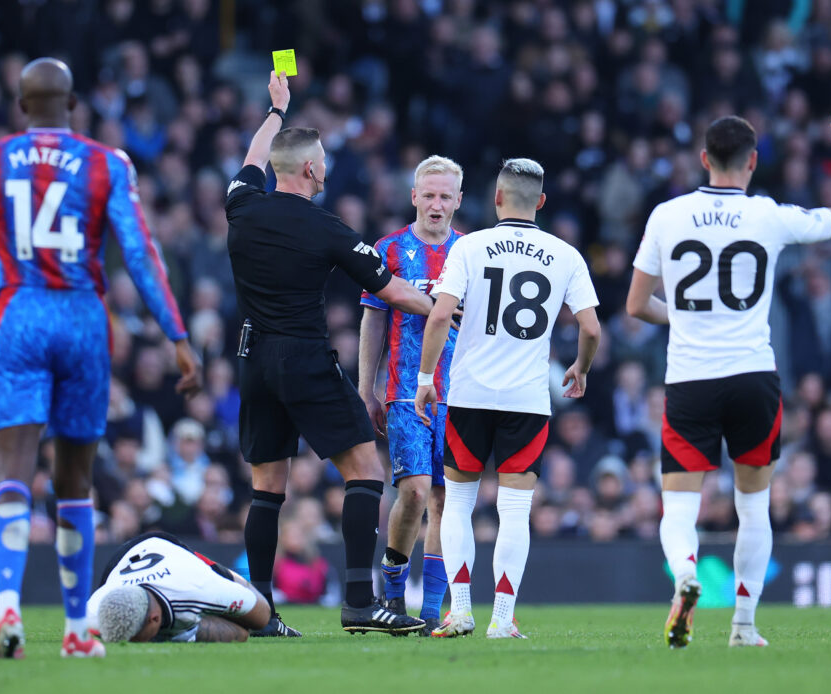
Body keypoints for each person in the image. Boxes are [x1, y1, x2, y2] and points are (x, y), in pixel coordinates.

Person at [0, 58, 201, 659]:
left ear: (20, 104)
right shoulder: (105, 162)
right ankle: (73, 630)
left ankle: (7, 606)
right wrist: (176, 334)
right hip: (84, 320)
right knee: (74, 480)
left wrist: (6, 291)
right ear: (72, 105)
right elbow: (140, 255)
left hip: (18, 313)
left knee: (12, 469)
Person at [625, 113, 831, 649]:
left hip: (690, 379)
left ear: (704, 159)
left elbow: (637, 304)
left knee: (680, 506)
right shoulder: (769, 216)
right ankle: (743, 625)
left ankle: (686, 574)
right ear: (753, 161)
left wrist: (686, 318)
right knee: (753, 506)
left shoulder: (668, 216)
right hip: (753, 376)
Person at [225, 71, 434, 636]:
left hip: (252, 359)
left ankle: (259, 612)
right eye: (321, 162)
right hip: (303, 356)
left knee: (267, 487)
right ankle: (361, 603)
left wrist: (275, 110)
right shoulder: (326, 228)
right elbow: (391, 289)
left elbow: (251, 157)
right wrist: (444, 306)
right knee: (366, 469)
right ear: (313, 169)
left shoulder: (241, 203)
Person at [415, 158, 602, 638]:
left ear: (496, 198)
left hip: (470, 394)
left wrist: (425, 378)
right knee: (514, 512)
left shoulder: (470, 247)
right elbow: (591, 327)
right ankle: (502, 618)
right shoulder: (566, 255)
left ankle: (459, 611)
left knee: (457, 503)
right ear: (540, 202)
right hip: (527, 399)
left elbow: (439, 318)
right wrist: (581, 366)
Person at [357, 155, 464, 635]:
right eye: (429, 194)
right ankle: (394, 591)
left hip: (461, 395)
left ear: (459, 200)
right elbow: (374, 318)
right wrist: (366, 387)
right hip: (404, 394)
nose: (436, 204)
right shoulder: (390, 249)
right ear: (414, 196)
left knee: (445, 500)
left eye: (446, 196)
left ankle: (431, 611)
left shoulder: (473, 251)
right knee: (416, 491)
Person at [88, 532, 270, 643]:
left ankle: (217, 569)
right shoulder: (98, 611)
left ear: (154, 619)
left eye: (136, 640)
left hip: (172, 551)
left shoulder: (200, 586)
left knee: (255, 623)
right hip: (123, 560)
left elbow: (260, 616)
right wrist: (181, 635)